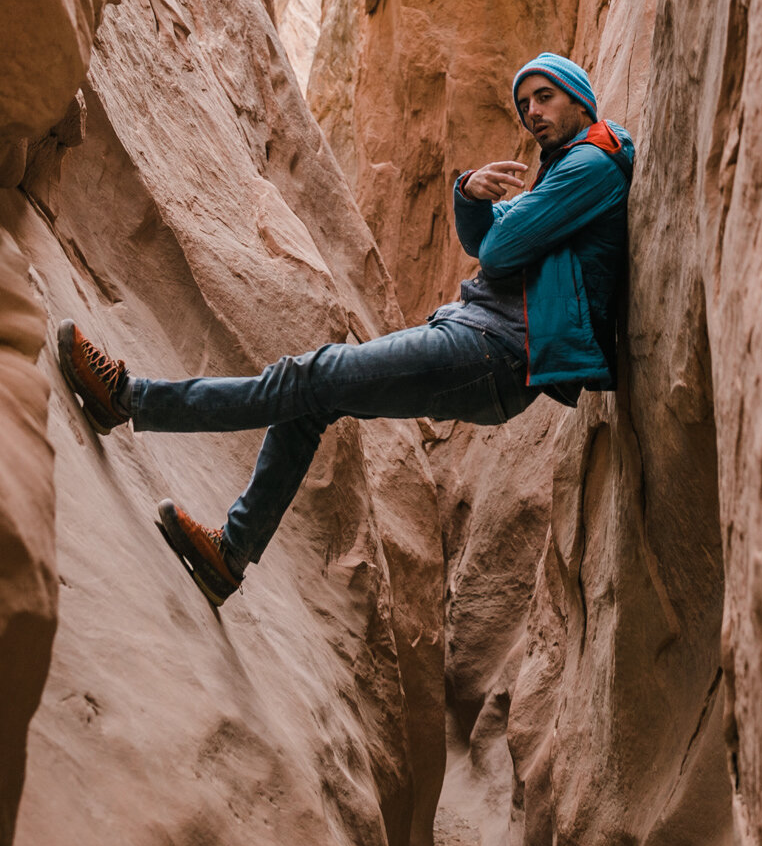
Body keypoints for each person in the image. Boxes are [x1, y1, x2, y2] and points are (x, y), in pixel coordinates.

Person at [54, 53, 634, 607]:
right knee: (311, 401)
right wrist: (469, 194)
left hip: (498, 352)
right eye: (524, 103)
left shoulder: (591, 164)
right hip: (485, 343)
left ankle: (129, 400)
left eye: (544, 97)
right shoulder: (565, 170)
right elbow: (486, 239)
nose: (533, 111)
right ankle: (228, 556)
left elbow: (503, 250)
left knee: (312, 374)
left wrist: (497, 225)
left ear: (580, 99)